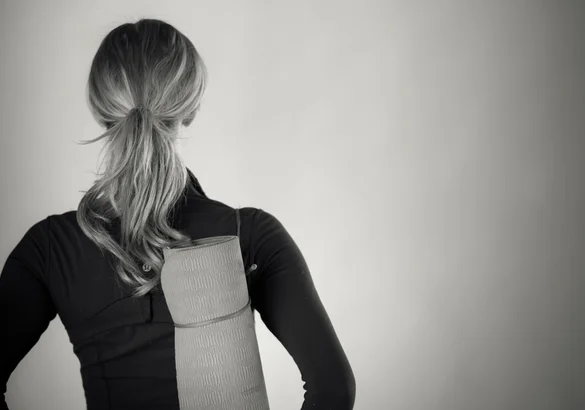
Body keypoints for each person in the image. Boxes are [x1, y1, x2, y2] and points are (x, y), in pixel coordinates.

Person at [0, 18, 355, 410]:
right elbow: (333, 388)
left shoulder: (50, 248)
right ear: (191, 108)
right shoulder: (249, 233)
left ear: (100, 108)